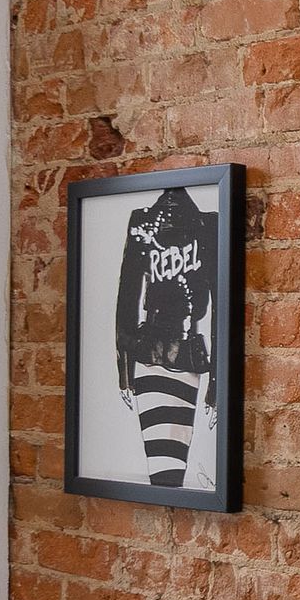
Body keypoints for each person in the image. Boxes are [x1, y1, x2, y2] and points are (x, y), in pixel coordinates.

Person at [111, 183, 220, 486]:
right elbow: (127, 299)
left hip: (178, 354)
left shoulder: (207, 225)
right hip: (154, 354)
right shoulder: (144, 222)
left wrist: (217, 384)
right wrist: (124, 371)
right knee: (164, 463)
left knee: (169, 463)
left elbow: (126, 301)